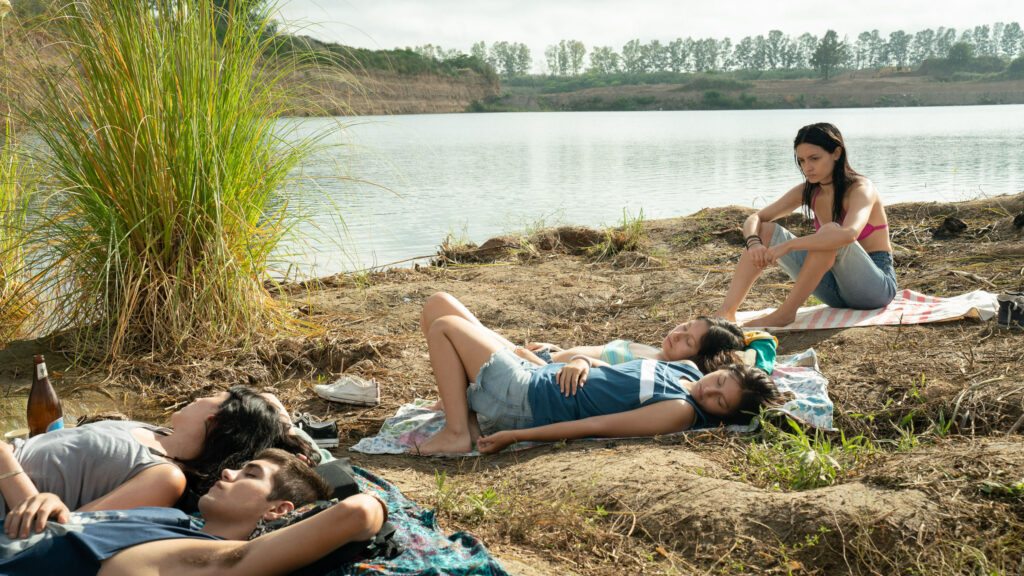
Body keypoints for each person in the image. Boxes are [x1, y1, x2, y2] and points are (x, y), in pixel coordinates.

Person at [414, 314, 781, 455]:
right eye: (719, 382)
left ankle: (458, 429)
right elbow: (605, 368)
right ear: (721, 369)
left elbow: (596, 427)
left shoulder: (681, 411)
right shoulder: (686, 369)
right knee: (442, 314)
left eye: (719, 402)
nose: (709, 391)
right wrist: (578, 359)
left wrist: (515, 437)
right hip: (540, 376)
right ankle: (468, 414)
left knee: (444, 326)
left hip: (529, 400)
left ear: (721, 417)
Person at [0, 448, 388, 576]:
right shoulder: (173, 520)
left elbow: (358, 512)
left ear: (278, 510)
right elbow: (72, 532)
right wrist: (48, 503)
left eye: (249, 474)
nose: (228, 471)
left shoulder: (201, 558)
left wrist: (377, 503)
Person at [0, 386, 317, 520]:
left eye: (210, 395)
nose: (198, 397)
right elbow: (270, 398)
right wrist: (287, 432)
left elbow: (64, 531)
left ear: (217, 418)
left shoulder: (166, 475)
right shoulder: (158, 433)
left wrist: (5, 460)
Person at [715, 122, 898, 327]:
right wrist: (753, 242)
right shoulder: (809, 190)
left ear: (836, 153)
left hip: (874, 289)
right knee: (765, 230)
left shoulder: (861, 188)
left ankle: (785, 313)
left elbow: (849, 234)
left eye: (814, 158)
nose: (807, 167)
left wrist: (790, 244)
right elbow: (755, 219)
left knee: (829, 233)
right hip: (835, 293)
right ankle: (725, 313)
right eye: (801, 160)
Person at [420, 292, 746, 374]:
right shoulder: (655, 350)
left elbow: (586, 373)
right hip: (542, 356)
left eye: (688, 341)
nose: (678, 334)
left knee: (443, 312)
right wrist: (557, 347)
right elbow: (592, 350)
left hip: (531, 368)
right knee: (440, 304)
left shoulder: (658, 370)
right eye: (685, 326)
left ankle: (456, 401)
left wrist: (540, 358)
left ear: (697, 359)